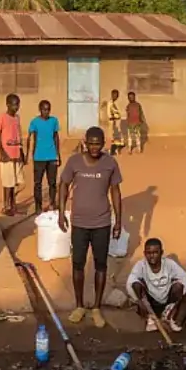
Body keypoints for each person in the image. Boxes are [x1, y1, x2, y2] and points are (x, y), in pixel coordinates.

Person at [57, 126, 123, 328]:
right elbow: (63, 185)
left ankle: (96, 307)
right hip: (79, 223)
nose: (94, 147)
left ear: (104, 143)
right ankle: (79, 306)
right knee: (78, 264)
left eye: (98, 143)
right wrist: (61, 213)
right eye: (91, 143)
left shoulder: (110, 163)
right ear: (85, 143)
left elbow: (116, 192)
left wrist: (118, 220)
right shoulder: (74, 162)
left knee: (100, 265)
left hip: (102, 222)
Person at [127, 237, 186, 333]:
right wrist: (139, 301)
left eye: (155, 252)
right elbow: (130, 282)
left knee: (184, 289)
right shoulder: (141, 265)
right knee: (136, 285)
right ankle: (150, 318)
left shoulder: (169, 264)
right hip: (150, 303)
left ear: (161, 252)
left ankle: (174, 320)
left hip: (167, 301)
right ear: (144, 254)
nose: (152, 256)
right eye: (149, 253)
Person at [27, 100, 61, 212]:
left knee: (52, 183)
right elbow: (31, 138)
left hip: (51, 156)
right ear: (40, 110)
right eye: (44, 109)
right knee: (38, 183)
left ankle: (52, 203)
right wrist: (29, 154)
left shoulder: (54, 121)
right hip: (39, 157)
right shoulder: (34, 122)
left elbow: (56, 137)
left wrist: (58, 155)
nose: (46, 112)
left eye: (48, 109)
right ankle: (38, 206)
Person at [0, 94, 24, 215]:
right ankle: (6, 206)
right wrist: (2, 152)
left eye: (18, 104)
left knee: (16, 182)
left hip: (16, 154)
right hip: (6, 155)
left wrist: (22, 152)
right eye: (14, 104)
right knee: (7, 183)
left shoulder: (17, 118)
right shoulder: (2, 117)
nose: (16, 107)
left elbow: (18, 136)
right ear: (7, 104)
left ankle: (13, 204)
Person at [107, 90, 125, 156]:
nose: (116, 97)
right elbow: (109, 114)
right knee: (112, 136)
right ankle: (111, 150)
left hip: (114, 121)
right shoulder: (110, 103)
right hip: (112, 121)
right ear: (112, 95)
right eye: (115, 95)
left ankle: (113, 150)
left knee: (115, 136)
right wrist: (114, 117)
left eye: (117, 95)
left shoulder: (113, 103)